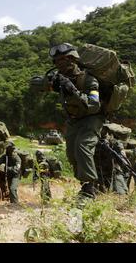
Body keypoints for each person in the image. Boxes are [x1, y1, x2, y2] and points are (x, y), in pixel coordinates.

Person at [49, 43, 105, 206]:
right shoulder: (60, 79)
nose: (60, 63)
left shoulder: (88, 79)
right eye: (57, 61)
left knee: (83, 146)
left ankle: (89, 190)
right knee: (71, 153)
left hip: (92, 118)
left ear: (73, 59)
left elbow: (94, 104)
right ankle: (85, 186)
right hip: (74, 119)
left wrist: (73, 92)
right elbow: (40, 86)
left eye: (64, 59)